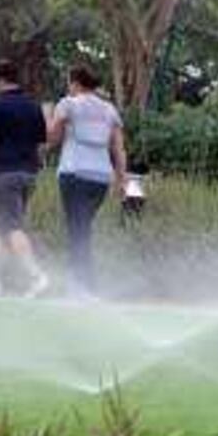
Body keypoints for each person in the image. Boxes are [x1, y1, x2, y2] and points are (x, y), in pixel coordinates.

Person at [47, 63, 127, 299]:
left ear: (75, 83)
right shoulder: (109, 110)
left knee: (77, 231)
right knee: (82, 228)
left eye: (69, 83)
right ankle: (83, 285)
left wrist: (47, 119)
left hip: (74, 172)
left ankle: (82, 287)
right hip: (101, 178)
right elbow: (119, 149)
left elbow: (52, 137)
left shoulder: (68, 104)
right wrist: (121, 180)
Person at [0, 59, 49, 298]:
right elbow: (41, 146)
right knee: (4, 228)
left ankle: (36, 276)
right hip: (29, 174)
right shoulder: (33, 106)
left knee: (12, 227)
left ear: (0, 80)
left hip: (6, 173)